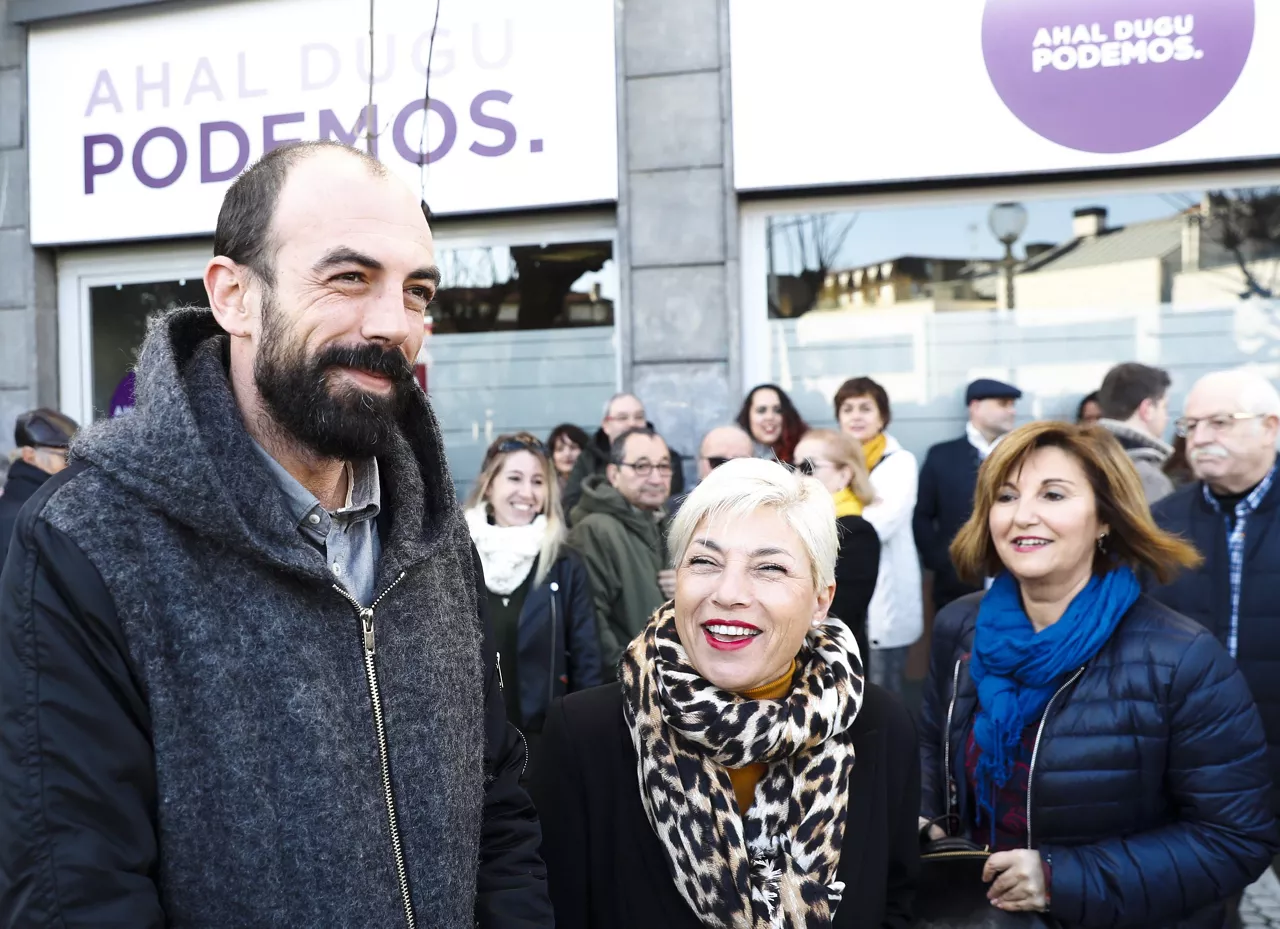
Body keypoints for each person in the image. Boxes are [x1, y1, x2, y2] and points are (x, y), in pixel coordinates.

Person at [0, 142, 552, 927]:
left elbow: (498, 813)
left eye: (418, 291)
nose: (394, 324)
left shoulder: (434, 533)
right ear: (234, 297)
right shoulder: (88, 538)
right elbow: (78, 891)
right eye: (349, 277)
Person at [531, 457, 919, 929]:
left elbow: (897, 907)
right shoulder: (585, 734)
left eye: (769, 567)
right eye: (704, 562)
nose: (729, 592)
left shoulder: (879, 727)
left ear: (821, 599)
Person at [920, 420, 1277, 927]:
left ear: (1105, 517)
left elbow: (1234, 839)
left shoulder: (1181, 658)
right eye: (1006, 496)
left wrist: (1059, 878)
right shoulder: (960, 626)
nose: (1023, 515)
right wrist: (925, 815)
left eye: (1053, 494)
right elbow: (931, 745)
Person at [1150, 369, 1280, 835]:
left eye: (1220, 422)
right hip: (1195, 770)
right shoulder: (1161, 524)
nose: (1200, 438)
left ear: (1270, 427)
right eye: (1190, 425)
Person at [464, 432, 603, 745]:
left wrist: (585, 735)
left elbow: (587, 662)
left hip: (543, 740)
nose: (527, 492)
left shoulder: (564, 562)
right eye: (515, 478)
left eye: (538, 482)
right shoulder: (456, 557)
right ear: (489, 484)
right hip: (470, 742)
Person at [834, 376, 922, 694]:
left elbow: (877, 526)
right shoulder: (835, 461)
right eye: (848, 409)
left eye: (865, 408)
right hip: (845, 595)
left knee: (883, 695)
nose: (856, 416)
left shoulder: (900, 462)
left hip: (886, 599)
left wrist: (834, 514)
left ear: (882, 416)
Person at [568, 426, 673, 678]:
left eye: (663, 466)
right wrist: (630, 677)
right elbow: (592, 623)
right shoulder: (596, 530)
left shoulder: (667, 524)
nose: (656, 478)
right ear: (613, 474)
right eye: (641, 466)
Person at [913, 378, 1021, 614]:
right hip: (956, 586)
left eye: (1012, 404)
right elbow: (922, 515)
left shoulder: (1022, 456)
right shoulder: (942, 455)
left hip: (1016, 584)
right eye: (1003, 404)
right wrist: (941, 561)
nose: (1012, 411)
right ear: (976, 406)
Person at [793, 428, 881, 661]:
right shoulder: (794, 523)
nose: (797, 476)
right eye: (793, 466)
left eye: (808, 467)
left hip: (829, 663)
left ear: (844, 475)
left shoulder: (857, 532)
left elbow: (839, 613)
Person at [0, 408, 77, 568]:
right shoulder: (23, 516)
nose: (73, 466)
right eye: (66, 457)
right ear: (29, 455)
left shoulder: (58, 502)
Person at [1095, 361, 1175, 504]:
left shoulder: (1080, 458)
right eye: (1164, 407)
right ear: (1147, 409)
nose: (1167, 417)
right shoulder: (1149, 478)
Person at [736, 383, 809, 465]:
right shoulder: (734, 454)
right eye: (761, 410)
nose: (770, 417)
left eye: (778, 410)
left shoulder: (804, 452)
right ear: (747, 416)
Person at [547, 423, 591, 491]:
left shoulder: (596, 483)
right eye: (560, 449)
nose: (567, 454)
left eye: (573, 447)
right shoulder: (547, 489)